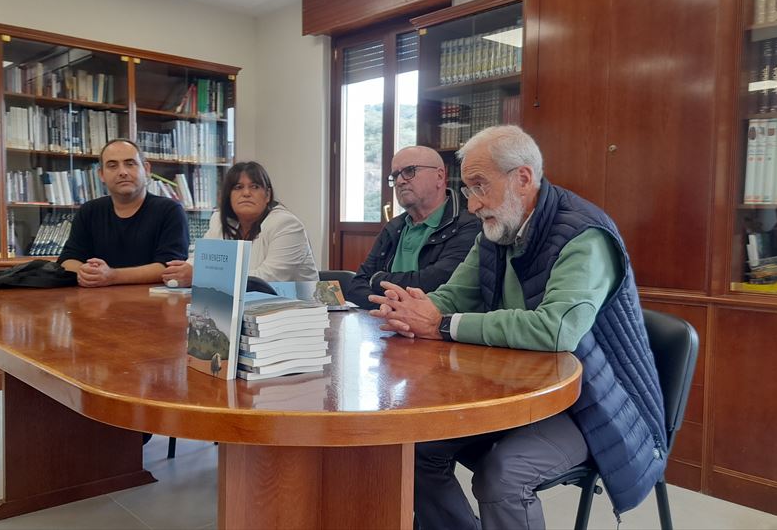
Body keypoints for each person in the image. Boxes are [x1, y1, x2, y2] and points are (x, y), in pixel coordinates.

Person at [370, 126, 666, 529]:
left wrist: (442, 325)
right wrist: (415, 310)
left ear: (523, 179)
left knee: (503, 477)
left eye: (478, 186)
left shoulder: (585, 234)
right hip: (521, 388)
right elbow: (455, 294)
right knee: (416, 449)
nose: (471, 204)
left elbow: (555, 331)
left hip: (592, 402)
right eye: (468, 188)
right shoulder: (498, 227)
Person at [344, 146, 480, 308]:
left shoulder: (468, 226)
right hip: (385, 324)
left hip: (437, 330)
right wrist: (389, 307)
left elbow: (435, 282)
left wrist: (377, 279)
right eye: (395, 175)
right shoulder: (393, 227)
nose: (400, 181)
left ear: (439, 176)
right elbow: (355, 286)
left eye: (410, 171)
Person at [57, 139, 189, 287]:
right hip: (97, 304)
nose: (122, 172)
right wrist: (86, 273)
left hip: (152, 303)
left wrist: (112, 276)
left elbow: (170, 268)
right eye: (112, 166)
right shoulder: (89, 211)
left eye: (130, 164)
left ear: (146, 169)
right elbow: (68, 259)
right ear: (101, 175)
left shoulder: (170, 211)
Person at [162, 161, 318, 286]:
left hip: (296, 311)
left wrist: (200, 276)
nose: (246, 193)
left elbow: (268, 279)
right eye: (238, 187)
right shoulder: (220, 221)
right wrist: (185, 270)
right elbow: (202, 259)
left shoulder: (286, 225)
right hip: (247, 308)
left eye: (254, 187)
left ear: (268, 195)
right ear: (228, 196)